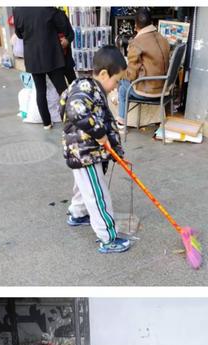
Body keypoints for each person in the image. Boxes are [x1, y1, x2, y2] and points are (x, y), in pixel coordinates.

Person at [61, 45, 131, 254]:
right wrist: (99, 134)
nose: (116, 87)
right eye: (116, 81)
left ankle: (78, 213)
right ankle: (107, 237)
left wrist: (117, 152)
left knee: (84, 187)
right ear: (103, 74)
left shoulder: (93, 90)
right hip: (85, 153)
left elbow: (107, 122)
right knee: (97, 194)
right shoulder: (84, 90)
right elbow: (75, 110)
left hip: (83, 152)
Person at [14, 7, 69, 129]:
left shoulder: (18, 9)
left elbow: (19, 34)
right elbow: (63, 26)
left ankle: (47, 123)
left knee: (40, 91)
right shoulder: (48, 7)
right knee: (63, 90)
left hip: (33, 56)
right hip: (51, 55)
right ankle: (71, 118)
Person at [116, 8, 170, 131]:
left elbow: (131, 75)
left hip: (147, 93)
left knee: (123, 85)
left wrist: (120, 74)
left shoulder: (136, 43)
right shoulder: (164, 39)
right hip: (165, 90)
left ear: (135, 25)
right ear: (152, 22)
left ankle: (121, 122)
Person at [55, 8, 77, 86]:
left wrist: (67, 40)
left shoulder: (61, 14)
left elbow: (71, 34)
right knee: (61, 91)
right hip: (54, 63)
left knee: (74, 85)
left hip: (66, 59)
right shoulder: (43, 17)